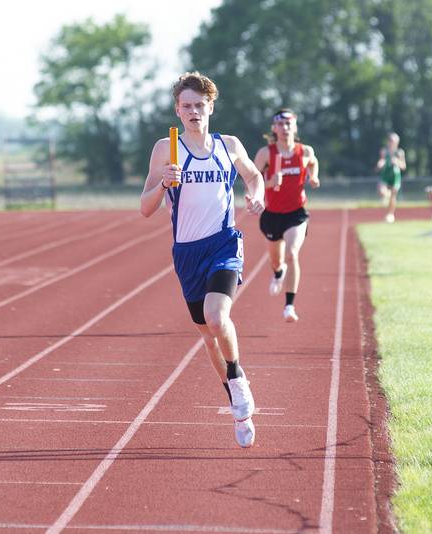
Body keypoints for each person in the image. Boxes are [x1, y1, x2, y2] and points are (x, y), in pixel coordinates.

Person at [139, 72, 265, 448]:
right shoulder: (167, 149)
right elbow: (145, 209)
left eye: (200, 105)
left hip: (223, 244)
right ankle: (235, 399)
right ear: (177, 110)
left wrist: (255, 195)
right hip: (186, 253)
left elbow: (254, 176)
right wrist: (163, 183)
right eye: (187, 106)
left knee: (217, 316)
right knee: (208, 337)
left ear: (211, 106)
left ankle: (238, 379)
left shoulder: (229, 145)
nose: (194, 111)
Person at [253, 108, 320, 323]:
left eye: (289, 123)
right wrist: (269, 183)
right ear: (274, 128)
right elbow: (252, 179)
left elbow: (313, 162)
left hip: (296, 214)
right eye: (280, 124)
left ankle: (289, 306)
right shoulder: (266, 153)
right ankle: (278, 272)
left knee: (292, 253)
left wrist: (313, 177)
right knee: (276, 260)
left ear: (295, 126)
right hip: (272, 215)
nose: (285, 128)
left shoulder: (305, 151)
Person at [376, 132, 406, 223]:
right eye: (392, 141)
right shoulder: (384, 151)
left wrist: (397, 162)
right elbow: (381, 161)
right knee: (381, 191)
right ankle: (386, 195)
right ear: (388, 142)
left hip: (395, 176)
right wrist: (380, 164)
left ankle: (390, 214)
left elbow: (403, 166)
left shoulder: (400, 152)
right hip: (385, 174)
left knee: (393, 196)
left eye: (396, 141)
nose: (394, 143)